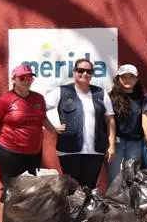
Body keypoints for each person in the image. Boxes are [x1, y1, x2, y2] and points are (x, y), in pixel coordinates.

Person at [45, 57, 115, 189]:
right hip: (69, 149)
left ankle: (87, 210)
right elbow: (40, 108)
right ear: (74, 72)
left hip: (95, 150)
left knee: (90, 186)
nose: (85, 74)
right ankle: (74, 210)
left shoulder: (101, 93)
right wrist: (52, 128)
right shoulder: (61, 91)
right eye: (80, 70)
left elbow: (109, 119)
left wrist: (111, 145)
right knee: (72, 188)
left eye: (89, 71)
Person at [0, 64, 46, 197]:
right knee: (9, 191)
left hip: (34, 153)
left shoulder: (39, 99)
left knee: (31, 191)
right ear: (14, 80)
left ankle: (27, 218)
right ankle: (7, 218)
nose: (26, 81)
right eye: (22, 78)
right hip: (9, 153)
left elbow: (42, 119)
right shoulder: (2, 101)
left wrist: (54, 130)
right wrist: (5, 141)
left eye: (30, 78)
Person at [106, 64, 145, 182]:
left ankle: (129, 201)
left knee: (131, 178)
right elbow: (107, 122)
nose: (128, 80)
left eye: (131, 77)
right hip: (116, 143)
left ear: (137, 79)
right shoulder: (110, 98)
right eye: (124, 77)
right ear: (118, 79)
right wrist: (110, 144)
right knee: (114, 179)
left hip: (136, 143)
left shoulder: (142, 99)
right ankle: (113, 200)